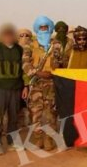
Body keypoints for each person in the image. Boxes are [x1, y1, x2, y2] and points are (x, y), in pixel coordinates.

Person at [0, 24, 27, 155]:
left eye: (10, 34)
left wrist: (25, 87)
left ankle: (12, 141)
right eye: (6, 34)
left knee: (13, 117)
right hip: (0, 89)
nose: (8, 37)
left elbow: (24, 70)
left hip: (16, 89)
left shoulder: (19, 49)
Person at [24, 16, 63, 150]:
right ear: (37, 29)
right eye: (41, 27)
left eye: (46, 27)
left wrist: (53, 73)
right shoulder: (30, 45)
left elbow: (60, 63)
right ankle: (38, 139)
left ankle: (49, 140)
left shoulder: (56, 45)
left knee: (51, 114)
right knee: (36, 114)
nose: (44, 29)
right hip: (36, 84)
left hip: (52, 84)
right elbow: (25, 64)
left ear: (50, 28)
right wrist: (37, 73)